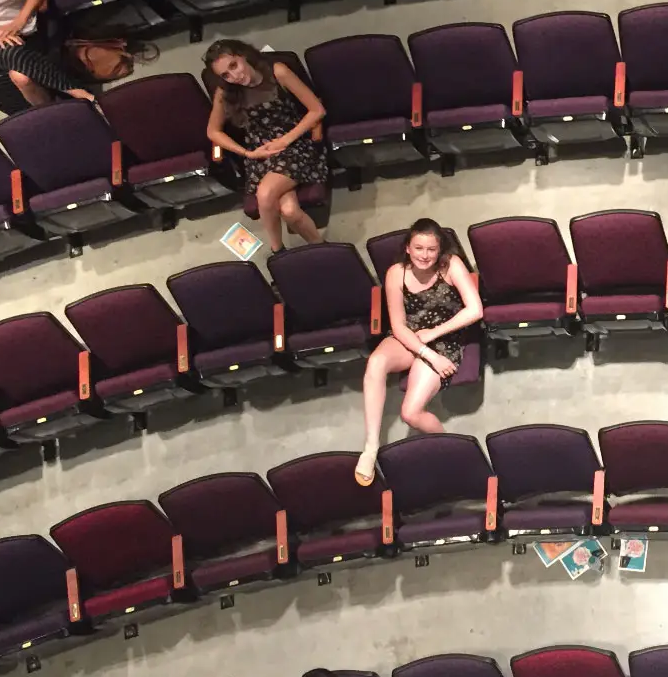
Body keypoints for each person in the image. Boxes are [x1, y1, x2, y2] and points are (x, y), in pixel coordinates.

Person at [355, 218, 483, 485]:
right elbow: (399, 325)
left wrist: (434, 339)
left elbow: (475, 310)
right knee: (376, 362)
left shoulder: (451, 265)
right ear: (408, 249)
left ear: (440, 250)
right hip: (411, 338)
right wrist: (425, 352)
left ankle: (451, 453)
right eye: (419, 248)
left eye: (431, 249)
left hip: (444, 337)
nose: (425, 255)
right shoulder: (395, 273)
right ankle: (370, 446)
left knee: (410, 413)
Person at [203, 40, 327, 254]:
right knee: (289, 211)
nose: (235, 76)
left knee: (265, 194)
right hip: (260, 153)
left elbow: (317, 110)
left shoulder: (277, 72)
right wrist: (247, 153)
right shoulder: (226, 92)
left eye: (234, 66)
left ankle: (277, 251)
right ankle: (322, 249)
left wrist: (285, 140)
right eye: (226, 75)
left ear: (243, 56)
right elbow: (213, 131)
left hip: (294, 144)